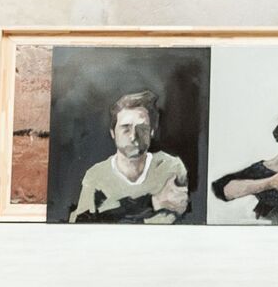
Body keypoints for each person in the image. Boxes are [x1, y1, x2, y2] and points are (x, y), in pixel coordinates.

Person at [68, 90, 191, 223]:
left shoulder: (170, 168)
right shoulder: (96, 176)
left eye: (142, 129)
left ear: (152, 132)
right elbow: (82, 223)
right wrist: (155, 202)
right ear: (113, 133)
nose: (133, 136)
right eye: (125, 128)